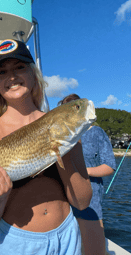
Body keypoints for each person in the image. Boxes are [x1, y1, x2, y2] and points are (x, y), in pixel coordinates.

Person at [0, 39, 92, 255]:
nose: (12, 76)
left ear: (33, 74)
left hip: (66, 237)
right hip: (15, 243)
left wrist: (63, 146)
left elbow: (82, 202)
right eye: (2, 72)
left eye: (20, 67)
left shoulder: (65, 125)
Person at [58, 93, 117, 255]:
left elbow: (109, 166)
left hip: (91, 202)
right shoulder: (59, 133)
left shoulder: (96, 133)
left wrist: (83, 172)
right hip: (62, 201)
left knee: (93, 251)